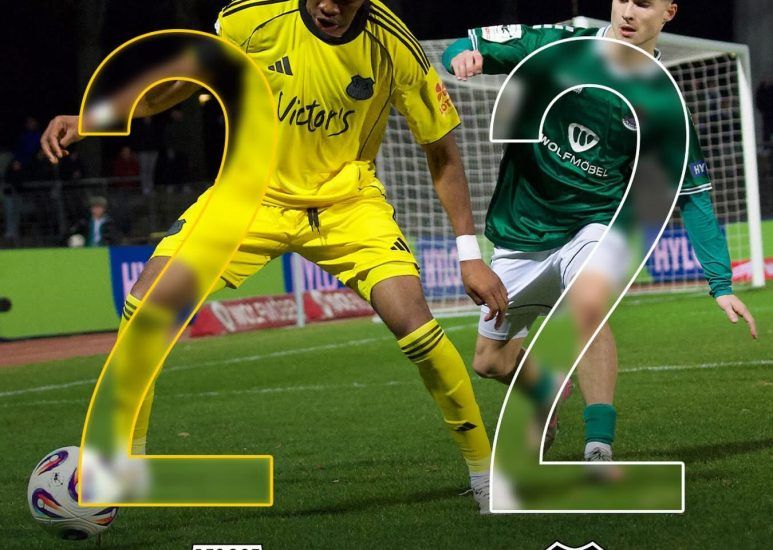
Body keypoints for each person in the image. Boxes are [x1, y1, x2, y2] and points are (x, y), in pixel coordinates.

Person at [41, 0, 508, 512]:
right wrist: (94, 118)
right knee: (147, 305)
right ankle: (122, 469)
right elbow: (182, 80)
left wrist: (469, 254)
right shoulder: (254, 18)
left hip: (347, 204)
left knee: (414, 322)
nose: (329, 5)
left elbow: (441, 149)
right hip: (250, 197)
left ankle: (485, 472)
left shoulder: (393, 44)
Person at [443, 0, 757, 462]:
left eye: (643, 4)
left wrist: (721, 284)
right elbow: (467, 43)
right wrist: (462, 57)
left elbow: (692, 194)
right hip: (522, 229)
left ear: (669, 12)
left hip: (595, 223)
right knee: (489, 361)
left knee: (586, 304)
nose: (628, 12)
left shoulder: (663, 102)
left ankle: (598, 446)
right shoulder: (557, 46)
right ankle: (547, 391)